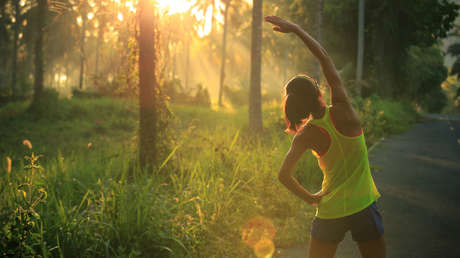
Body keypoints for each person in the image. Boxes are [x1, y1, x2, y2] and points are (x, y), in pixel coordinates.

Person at [264, 16, 386, 258]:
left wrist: (311, 198)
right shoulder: (343, 109)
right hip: (363, 205)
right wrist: (298, 29)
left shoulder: (305, 136)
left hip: (330, 212)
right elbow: (324, 57)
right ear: (319, 90)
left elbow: (283, 175)